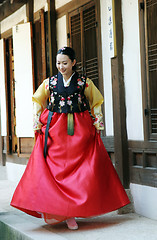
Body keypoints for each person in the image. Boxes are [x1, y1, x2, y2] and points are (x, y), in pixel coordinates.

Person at [11, 47, 130, 230]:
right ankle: (62, 211)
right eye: (58, 63)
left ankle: (73, 210)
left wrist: (98, 122)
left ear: (73, 63)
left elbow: (96, 101)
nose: (61, 67)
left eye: (65, 63)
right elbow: (38, 101)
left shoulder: (84, 82)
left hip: (80, 131)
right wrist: (37, 121)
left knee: (80, 172)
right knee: (55, 170)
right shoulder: (49, 83)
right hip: (55, 131)